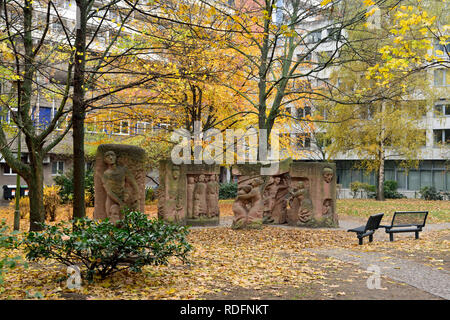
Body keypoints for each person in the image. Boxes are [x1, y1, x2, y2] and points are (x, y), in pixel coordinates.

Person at [101, 150, 139, 222]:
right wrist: (119, 202)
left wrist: (135, 196)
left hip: (123, 197)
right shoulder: (106, 174)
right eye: (108, 156)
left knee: (125, 221)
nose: (111, 158)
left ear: (116, 157)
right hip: (111, 198)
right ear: (105, 160)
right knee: (112, 222)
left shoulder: (123, 170)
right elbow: (108, 191)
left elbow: (133, 184)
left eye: (112, 155)